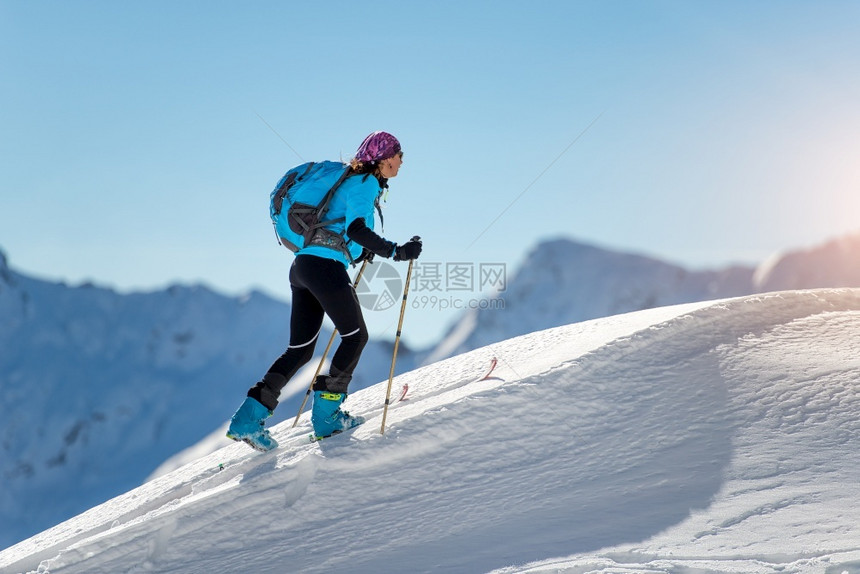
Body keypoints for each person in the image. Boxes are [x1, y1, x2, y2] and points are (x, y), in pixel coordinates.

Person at [226, 131, 422, 450]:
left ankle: (247, 419)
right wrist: (396, 251)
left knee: (300, 350)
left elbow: (344, 231)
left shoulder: (348, 180)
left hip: (303, 267)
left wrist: (363, 251)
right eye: (400, 156)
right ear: (385, 159)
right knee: (355, 336)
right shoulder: (366, 182)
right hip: (324, 268)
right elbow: (357, 228)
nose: (401, 163)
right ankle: (327, 417)